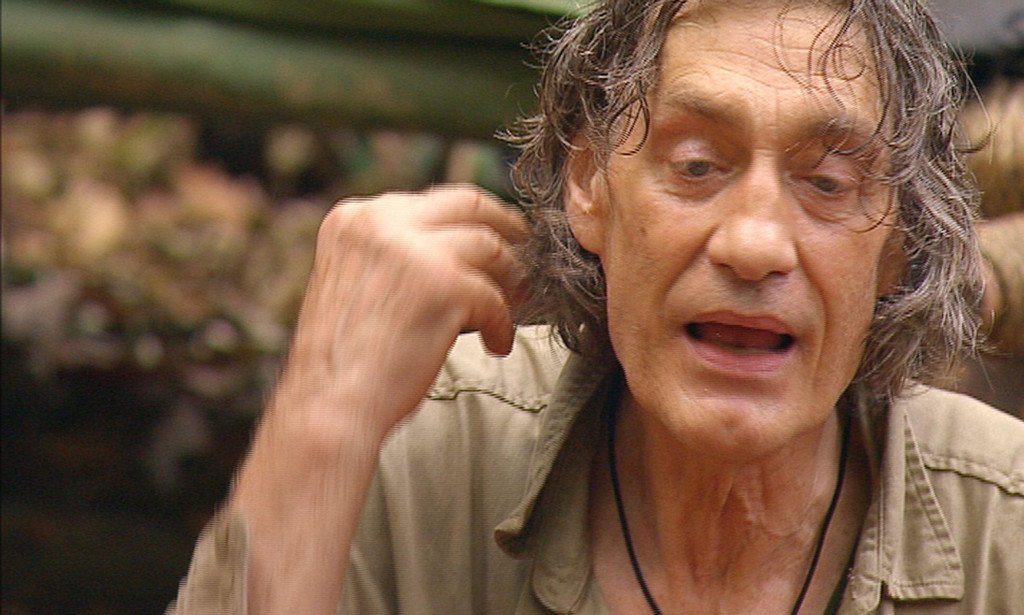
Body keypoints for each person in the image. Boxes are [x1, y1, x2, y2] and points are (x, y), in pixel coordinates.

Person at [169, 0, 1024, 613]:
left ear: (900, 240)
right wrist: (325, 418)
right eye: (697, 165)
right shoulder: (424, 447)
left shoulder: (1003, 523)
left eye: (828, 182)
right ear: (588, 185)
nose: (756, 243)